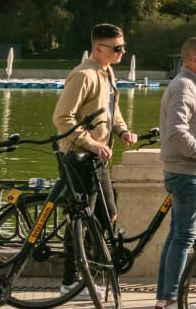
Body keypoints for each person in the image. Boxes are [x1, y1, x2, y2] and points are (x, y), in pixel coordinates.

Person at [154, 36, 196, 309]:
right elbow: (175, 132)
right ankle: (171, 303)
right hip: (188, 173)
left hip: (188, 172)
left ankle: (164, 299)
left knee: (176, 237)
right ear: (193, 60)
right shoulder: (184, 86)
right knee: (183, 238)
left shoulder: (194, 87)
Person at [52, 24, 136, 227]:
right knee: (81, 219)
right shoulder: (84, 75)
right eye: (117, 48)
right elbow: (62, 117)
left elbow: (111, 111)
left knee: (108, 216)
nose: (122, 52)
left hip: (98, 157)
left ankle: (93, 255)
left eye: (123, 47)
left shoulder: (107, 72)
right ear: (98, 48)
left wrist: (122, 130)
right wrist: (89, 143)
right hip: (79, 157)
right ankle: (75, 258)